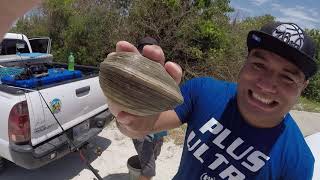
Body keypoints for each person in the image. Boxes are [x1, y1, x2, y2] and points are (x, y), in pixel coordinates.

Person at [110, 22, 317, 180]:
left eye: (287, 77)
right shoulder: (204, 92)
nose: (267, 85)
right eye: (259, 65)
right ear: (245, 63)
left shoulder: (297, 162)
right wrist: (130, 113)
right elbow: (141, 126)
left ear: (303, 86)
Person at [132, 36, 168, 180]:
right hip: (142, 131)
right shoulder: (132, 72)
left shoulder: (163, 73)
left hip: (159, 130)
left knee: (154, 158)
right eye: (143, 53)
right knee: (149, 170)